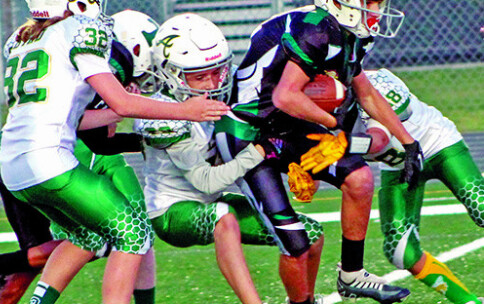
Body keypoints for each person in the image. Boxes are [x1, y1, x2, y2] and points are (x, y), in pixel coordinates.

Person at [0, 0, 228, 303]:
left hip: (13, 166)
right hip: (49, 160)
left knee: (87, 235)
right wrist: (185, 110)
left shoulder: (24, 38)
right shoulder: (76, 31)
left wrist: (129, 126)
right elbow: (122, 103)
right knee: (134, 233)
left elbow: (75, 118)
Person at [214, 1, 422, 303]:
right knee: (296, 243)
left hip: (287, 127)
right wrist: (332, 125)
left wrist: (408, 141)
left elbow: (365, 92)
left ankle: (352, 274)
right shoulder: (316, 28)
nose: (378, 11)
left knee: (360, 180)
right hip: (249, 132)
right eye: (372, 3)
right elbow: (285, 96)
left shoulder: (348, 35)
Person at [0, 8, 163, 304]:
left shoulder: (62, 43)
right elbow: (95, 133)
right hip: (40, 156)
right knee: (108, 234)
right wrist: (150, 133)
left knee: (77, 243)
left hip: (14, 155)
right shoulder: (103, 58)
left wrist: (139, 138)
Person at [134, 13, 325, 304]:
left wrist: (289, 163)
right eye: (200, 76)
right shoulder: (162, 114)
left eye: (217, 72)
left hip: (216, 201)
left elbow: (233, 158)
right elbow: (206, 181)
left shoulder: (227, 95)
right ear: (169, 73)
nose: (212, 84)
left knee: (308, 234)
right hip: (171, 211)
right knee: (224, 218)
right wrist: (259, 151)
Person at [359, 68, 484, 304]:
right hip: (398, 166)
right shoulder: (310, 101)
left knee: (481, 207)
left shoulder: (375, 80)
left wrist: (343, 145)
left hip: (436, 143)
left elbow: (380, 139)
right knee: (399, 250)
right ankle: (468, 301)